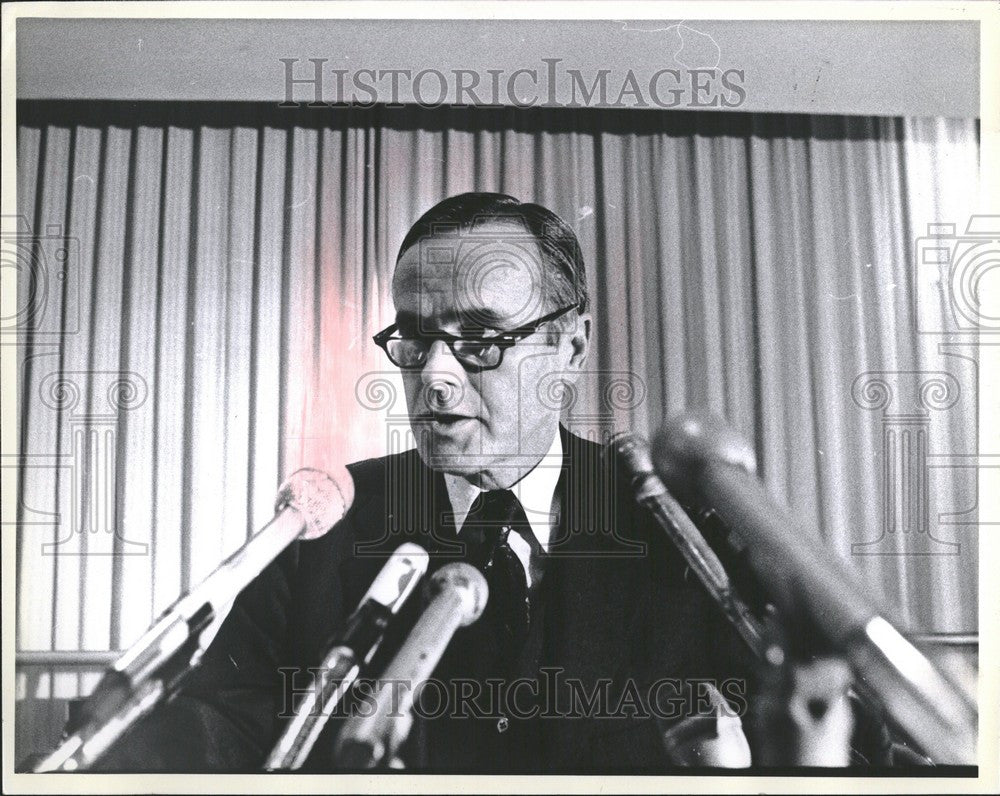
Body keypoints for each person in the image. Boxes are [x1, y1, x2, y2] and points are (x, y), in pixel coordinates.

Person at [90, 193, 891, 772]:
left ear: (570, 346)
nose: (434, 378)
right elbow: (219, 725)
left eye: (479, 338)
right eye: (414, 337)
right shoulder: (328, 524)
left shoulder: (683, 532)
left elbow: (843, 742)